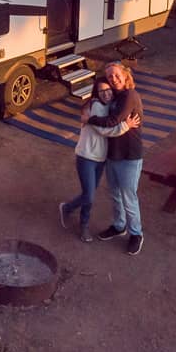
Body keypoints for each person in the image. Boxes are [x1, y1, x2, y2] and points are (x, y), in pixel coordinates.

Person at [58, 81, 139, 242]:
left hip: (101, 159)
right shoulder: (95, 105)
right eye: (101, 91)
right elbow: (103, 130)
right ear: (96, 93)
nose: (106, 94)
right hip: (86, 157)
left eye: (108, 90)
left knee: (90, 194)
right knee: (89, 196)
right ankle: (81, 223)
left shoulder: (112, 107)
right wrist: (126, 126)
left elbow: (110, 122)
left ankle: (70, 210)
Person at [85, 61, 146, 255]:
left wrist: (90, 120)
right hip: (113, 154)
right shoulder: (113, 97)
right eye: (110, 76)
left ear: (125, 75)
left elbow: (113, 121)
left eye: (116, 75)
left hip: (129, 155)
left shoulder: (130, 95)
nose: (114, 78)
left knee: (129, 196)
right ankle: (119, 226)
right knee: (115, 194)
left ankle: (136, 233)